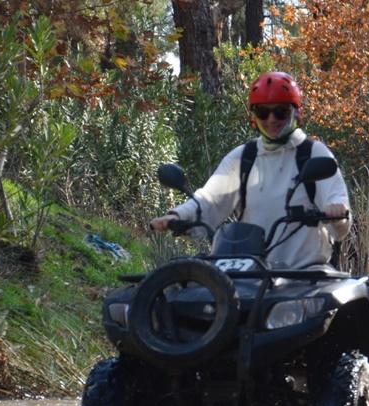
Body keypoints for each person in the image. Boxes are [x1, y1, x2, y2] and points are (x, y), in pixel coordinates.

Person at [150, 71, 351, 268]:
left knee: (315, 301)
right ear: (254, 116)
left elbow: (336, 199)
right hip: (252, 274)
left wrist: (336, 210)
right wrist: (178, 216)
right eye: (263, 112)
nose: (271, 119)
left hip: (306, 274)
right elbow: (210, 199)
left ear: (295, 112)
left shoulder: (313, 153)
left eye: (280, 111)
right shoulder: (244, 156)